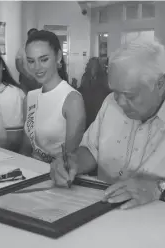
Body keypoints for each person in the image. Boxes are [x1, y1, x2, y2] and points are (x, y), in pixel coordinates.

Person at [50, 38, 165, 210]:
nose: (119, 101)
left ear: (160, 84)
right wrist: (73, 163)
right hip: (104, 208)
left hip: (164, 220)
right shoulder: (112, 101)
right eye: (115, 92)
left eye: (130, 95)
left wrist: (158, 189)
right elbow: (91, 150)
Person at [21, 30, 86, 163]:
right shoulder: (30, 97)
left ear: (58, 56)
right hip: (31, 170)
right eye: (31, 61)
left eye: (44, 59)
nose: (37, 67)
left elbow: (71, 157)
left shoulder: (72, 99)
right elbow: (27, 146)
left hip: (58, 175)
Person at [79, 57, 112, 129]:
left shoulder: (104, 77)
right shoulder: (85, 76)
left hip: (98, 107)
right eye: (91, 65)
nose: (93, 67)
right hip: (88, 107)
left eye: (94, 65)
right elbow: (82, 90)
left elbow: (108, 91)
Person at [16, 28, 41, 93]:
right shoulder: (22, 49)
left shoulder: (43, 48)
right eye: (31, 35)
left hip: (39, 79)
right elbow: (18, 64)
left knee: (38, 99)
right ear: (28, 37)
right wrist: (26, 74)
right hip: (25, 79)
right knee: (25, 99)